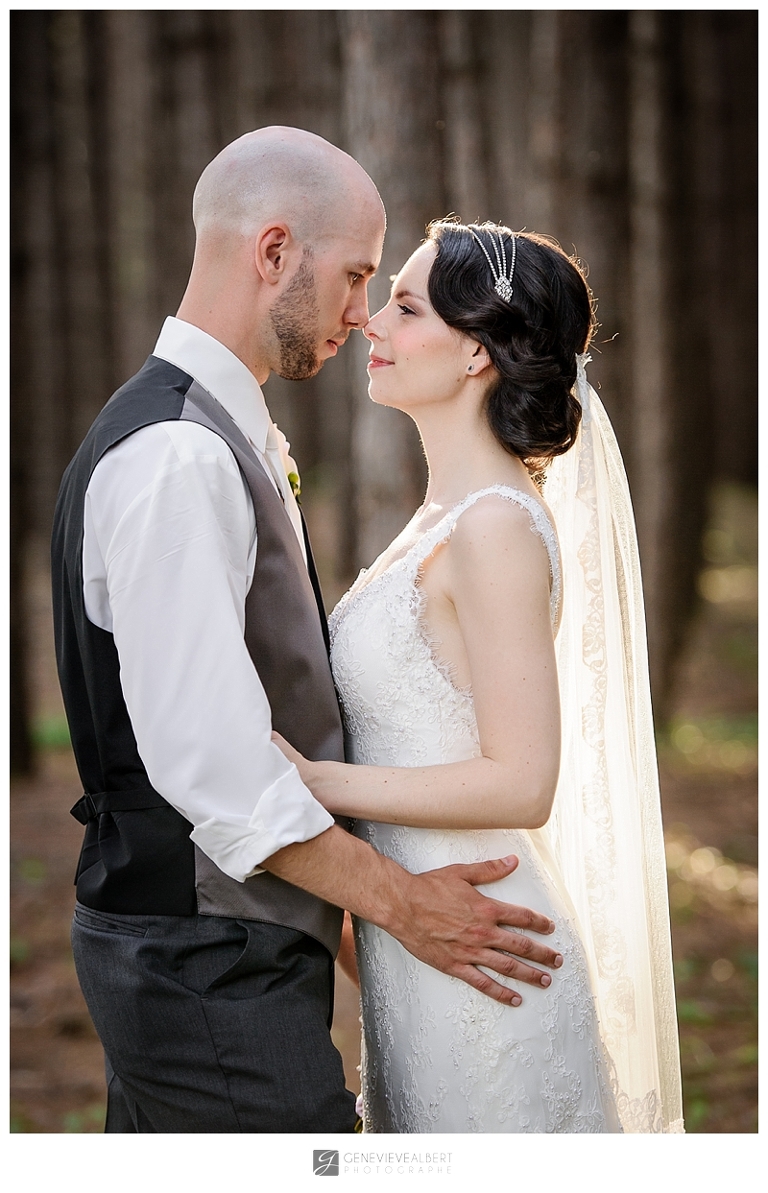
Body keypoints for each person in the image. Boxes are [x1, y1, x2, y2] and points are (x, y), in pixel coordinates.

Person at [50, 131, 564, 1134]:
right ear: (275, 252)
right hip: (203, 964)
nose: (361, 312)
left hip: (227, 954)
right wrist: (403, 908)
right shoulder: (178, 458)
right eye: (358, 275)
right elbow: (218, 766)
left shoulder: (222, 436)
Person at [274, 220, 685, 1133]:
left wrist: (307, 785)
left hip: (493, 970)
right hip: (422, 952)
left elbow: (522, 779)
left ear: (476, 353)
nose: (371, 324)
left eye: (406, 306)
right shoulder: (439, 517)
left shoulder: (495, 525)